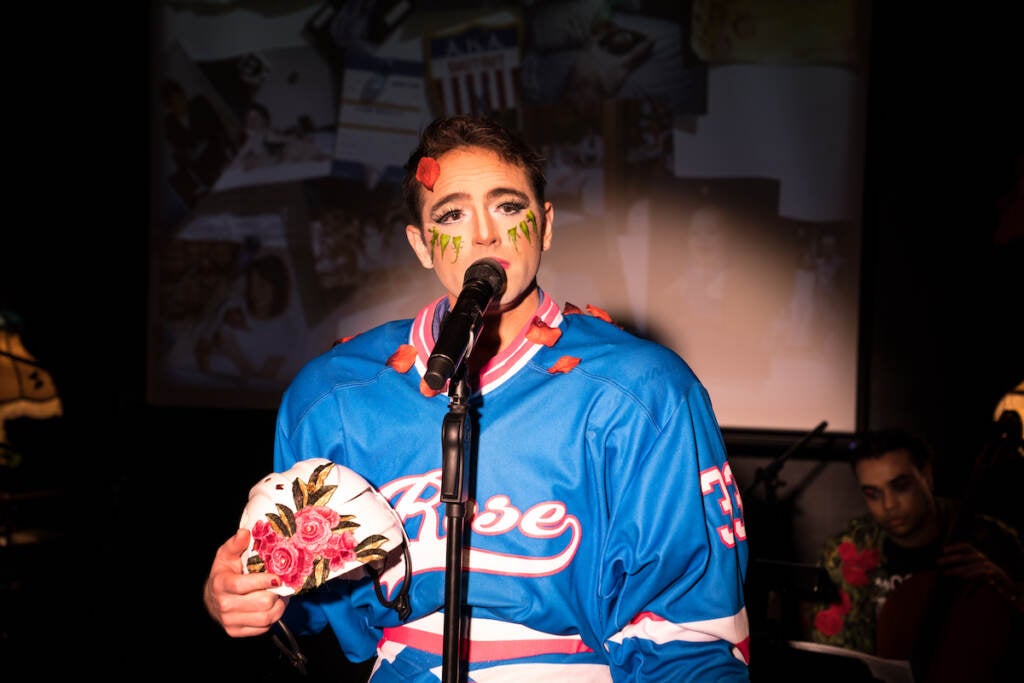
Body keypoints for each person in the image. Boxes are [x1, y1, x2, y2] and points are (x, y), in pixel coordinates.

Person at [203, 114, 751, 681]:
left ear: (546, 224)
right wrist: (242, 594)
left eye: (509, 206)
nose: (486, 234)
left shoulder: (642, 390)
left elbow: (689, 640)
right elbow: (309, 611)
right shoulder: (335, 395)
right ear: (420, 243)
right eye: (452, 214)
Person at [807, 428, 1024, 682]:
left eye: (900, 486)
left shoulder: (994, 540)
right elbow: (836, 656)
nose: (888, 505)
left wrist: (1009, 589)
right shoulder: (845, 551)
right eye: (872, 493)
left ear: (927, 475)